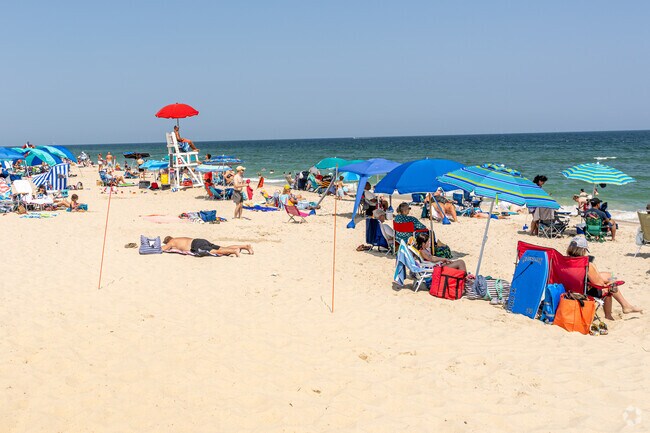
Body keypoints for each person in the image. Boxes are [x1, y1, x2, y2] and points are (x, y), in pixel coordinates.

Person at [566, 236, 641, 320]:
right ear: (583, 250)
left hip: (569, 289)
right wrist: (609, 284)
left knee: (610, 275)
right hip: (583, 292)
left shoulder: (564, 261)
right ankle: (611, 315)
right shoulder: (587, 265)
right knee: (608, 288)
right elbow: (600, 284)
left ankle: (625, 305)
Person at [162, 236, 253, 257]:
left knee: (214, 251)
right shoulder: (178, 239)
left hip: (196, 245)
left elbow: (164, 248)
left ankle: (234, 251)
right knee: (221, 248)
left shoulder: (171, 242)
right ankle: (244, 246)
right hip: (199, 240)